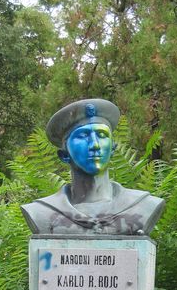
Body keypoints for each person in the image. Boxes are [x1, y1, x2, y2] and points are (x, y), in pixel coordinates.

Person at [21, 98, 165, 235]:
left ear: (112, 149)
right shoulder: (42, 212)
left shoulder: (142, 206)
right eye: (83, 136)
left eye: (101, 135)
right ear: (64, 155)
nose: (95, 145)